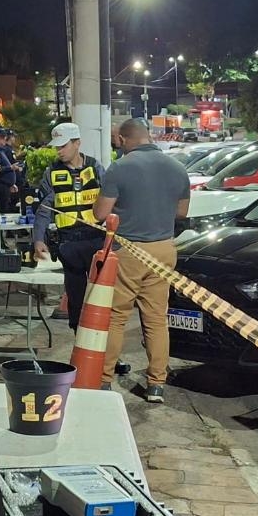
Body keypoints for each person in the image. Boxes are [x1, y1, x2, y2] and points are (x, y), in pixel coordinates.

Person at [94, 118, 190, 402]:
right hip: (164, 249)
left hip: (129, 250)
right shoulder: (177, 168)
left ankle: (103, 380)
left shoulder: (120, 167)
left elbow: (101, 214)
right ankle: (156, 384)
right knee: (156, 319)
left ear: (123, 139)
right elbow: (182, 212)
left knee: (115, 318)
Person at [33, 122, 106, 331]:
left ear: (77, 143)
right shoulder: (52, 173)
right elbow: (44, 210)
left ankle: (105, 351)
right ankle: (79, 342)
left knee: (101, 298)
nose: (59, 151)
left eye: (63, 146)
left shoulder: (96, 168)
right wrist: (38, 239)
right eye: (57, 146)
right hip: (69, 245)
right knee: (76, 299)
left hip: (96, 242)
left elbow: (111, 201)